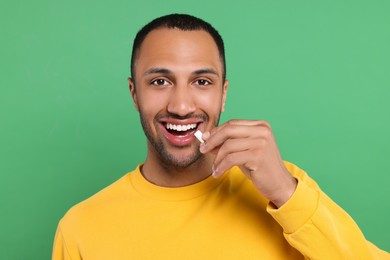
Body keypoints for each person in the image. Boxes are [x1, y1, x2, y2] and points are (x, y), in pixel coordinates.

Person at [52, 14, 389, 259]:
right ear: (133, 93)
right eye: (159, 82)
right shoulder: (80, 226)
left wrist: (286, 192)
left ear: (223, 94)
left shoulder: (287, 192)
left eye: (202, 82)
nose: (182, 106)